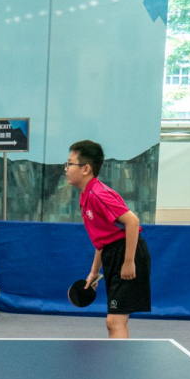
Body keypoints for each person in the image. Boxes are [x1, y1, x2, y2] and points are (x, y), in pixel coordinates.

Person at [66, 139, 151, 339]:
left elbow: (132, 222)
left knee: (115, 321)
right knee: (117, 320)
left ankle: (118, 359)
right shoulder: (86, 195)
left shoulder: (98, 194)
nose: (66, 169)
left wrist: (128, 262)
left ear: (86, 169)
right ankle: (120, 357)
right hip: (112, 254)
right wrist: (94, 272)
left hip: (126, 253)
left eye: (70, 164)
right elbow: (102, 239)